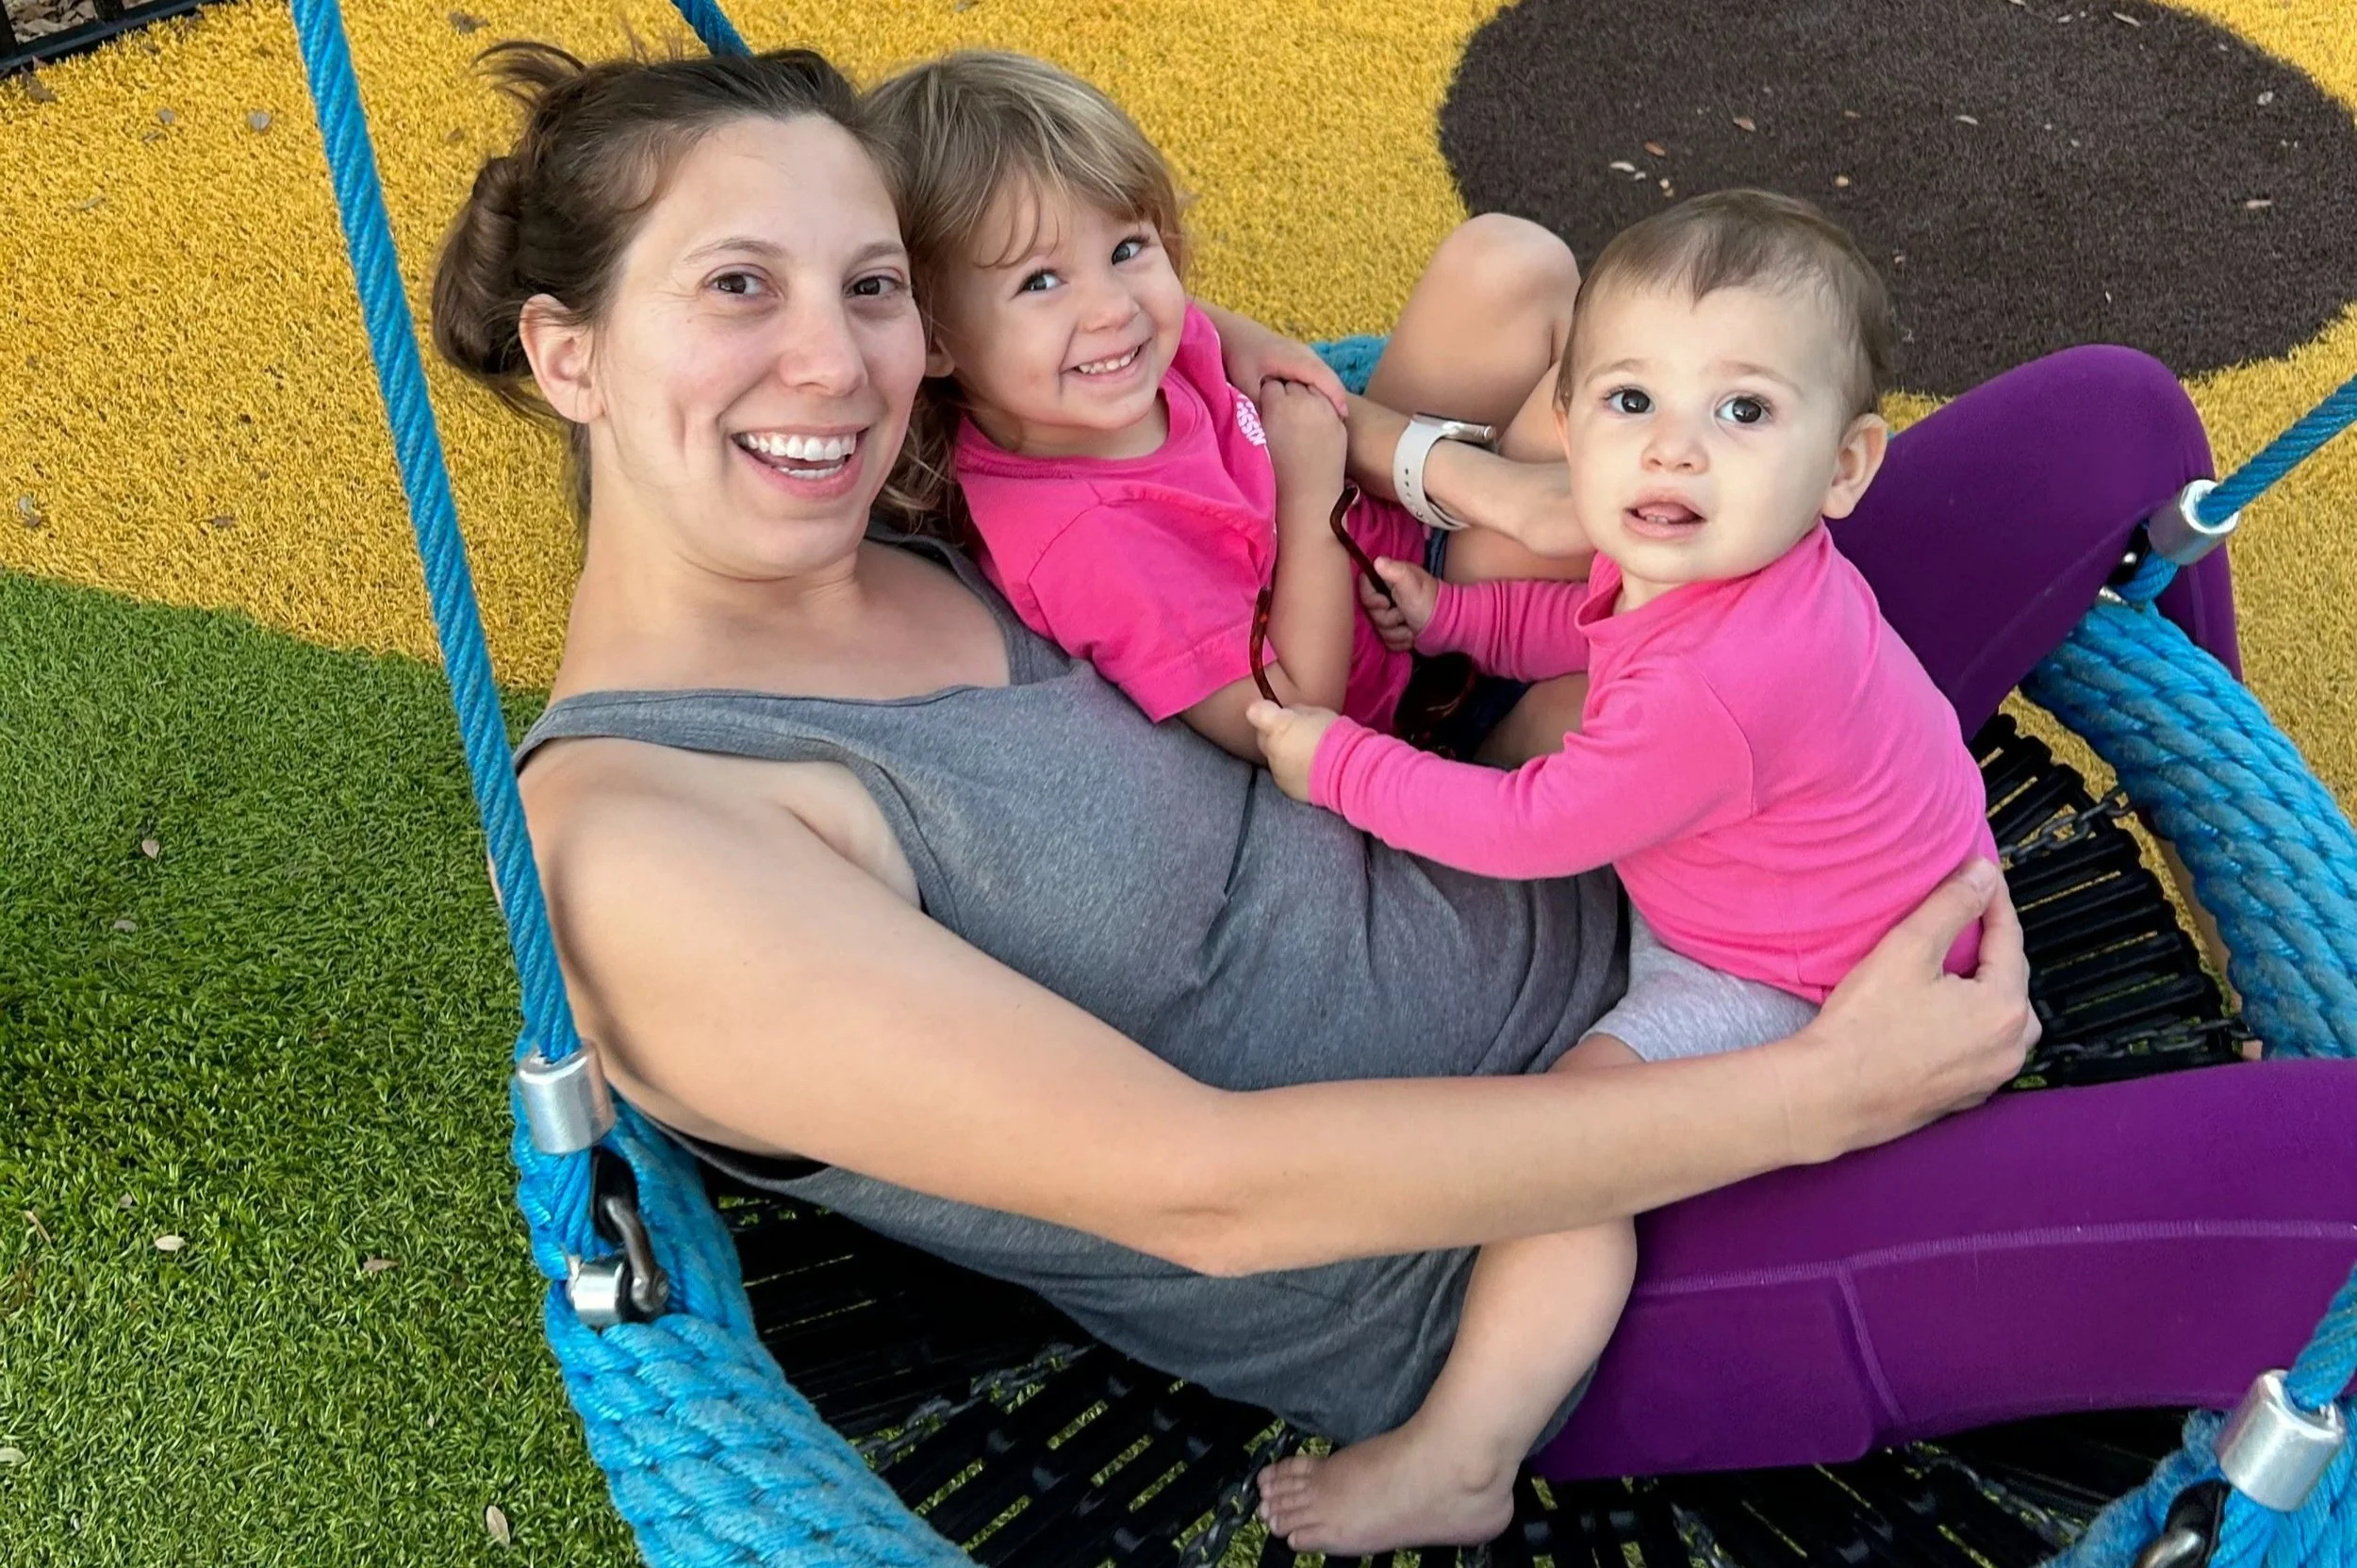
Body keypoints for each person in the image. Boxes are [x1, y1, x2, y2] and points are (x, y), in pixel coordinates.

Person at [424, 37, 2354, 1560]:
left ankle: (2217, 1022)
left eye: (866, 288)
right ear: (569, 354)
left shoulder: (898, 512)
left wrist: (1279, 380)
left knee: (2103, 425)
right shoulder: (661, 843)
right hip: (1549, 1241)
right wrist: (1826, 1090)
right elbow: (1207, 1189)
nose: (830, 361)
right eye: (735, 288)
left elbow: (1142, 354)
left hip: (1645, 865)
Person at [1244, 190, 2004, 1548]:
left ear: (1846, 465)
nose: (1676, 449)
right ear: (1574, 417)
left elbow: (1529, 823)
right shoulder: (1728, 572)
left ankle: (1464, 1452)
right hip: (1837, 892)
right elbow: (1601, 625)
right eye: (1631, 400)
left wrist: (1332, 763)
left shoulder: (1727, 680)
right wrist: (1458, 615)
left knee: (1573, 1146)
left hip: (1807, 975)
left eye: (1744, 411)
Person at [863, 50, 1594, 764]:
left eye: (1126, 249)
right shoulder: (1089, 544)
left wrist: (1254, 346)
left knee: (1509, 261)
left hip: (1378, 521)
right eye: (1041, 282)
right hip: (1413, 667)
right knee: (1614, 438)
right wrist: (1310, 495)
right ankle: (1502, 735)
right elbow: (1295, 713)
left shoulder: (1084, 370)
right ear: (931, 337)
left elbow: (1187, 319)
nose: (1114, 308)